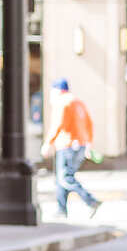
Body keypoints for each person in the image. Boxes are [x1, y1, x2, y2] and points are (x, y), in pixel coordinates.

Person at [41, 78, 101, 218]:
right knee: (63, 177)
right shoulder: (78, 102)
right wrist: (88, 142)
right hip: (79, 144)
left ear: (57, 90)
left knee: (64, 178)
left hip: (67, 144)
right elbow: (89, 123)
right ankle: (61, 210)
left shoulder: (62, 102)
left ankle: (91, 200)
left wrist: (48, 142)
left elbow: (58, 124)